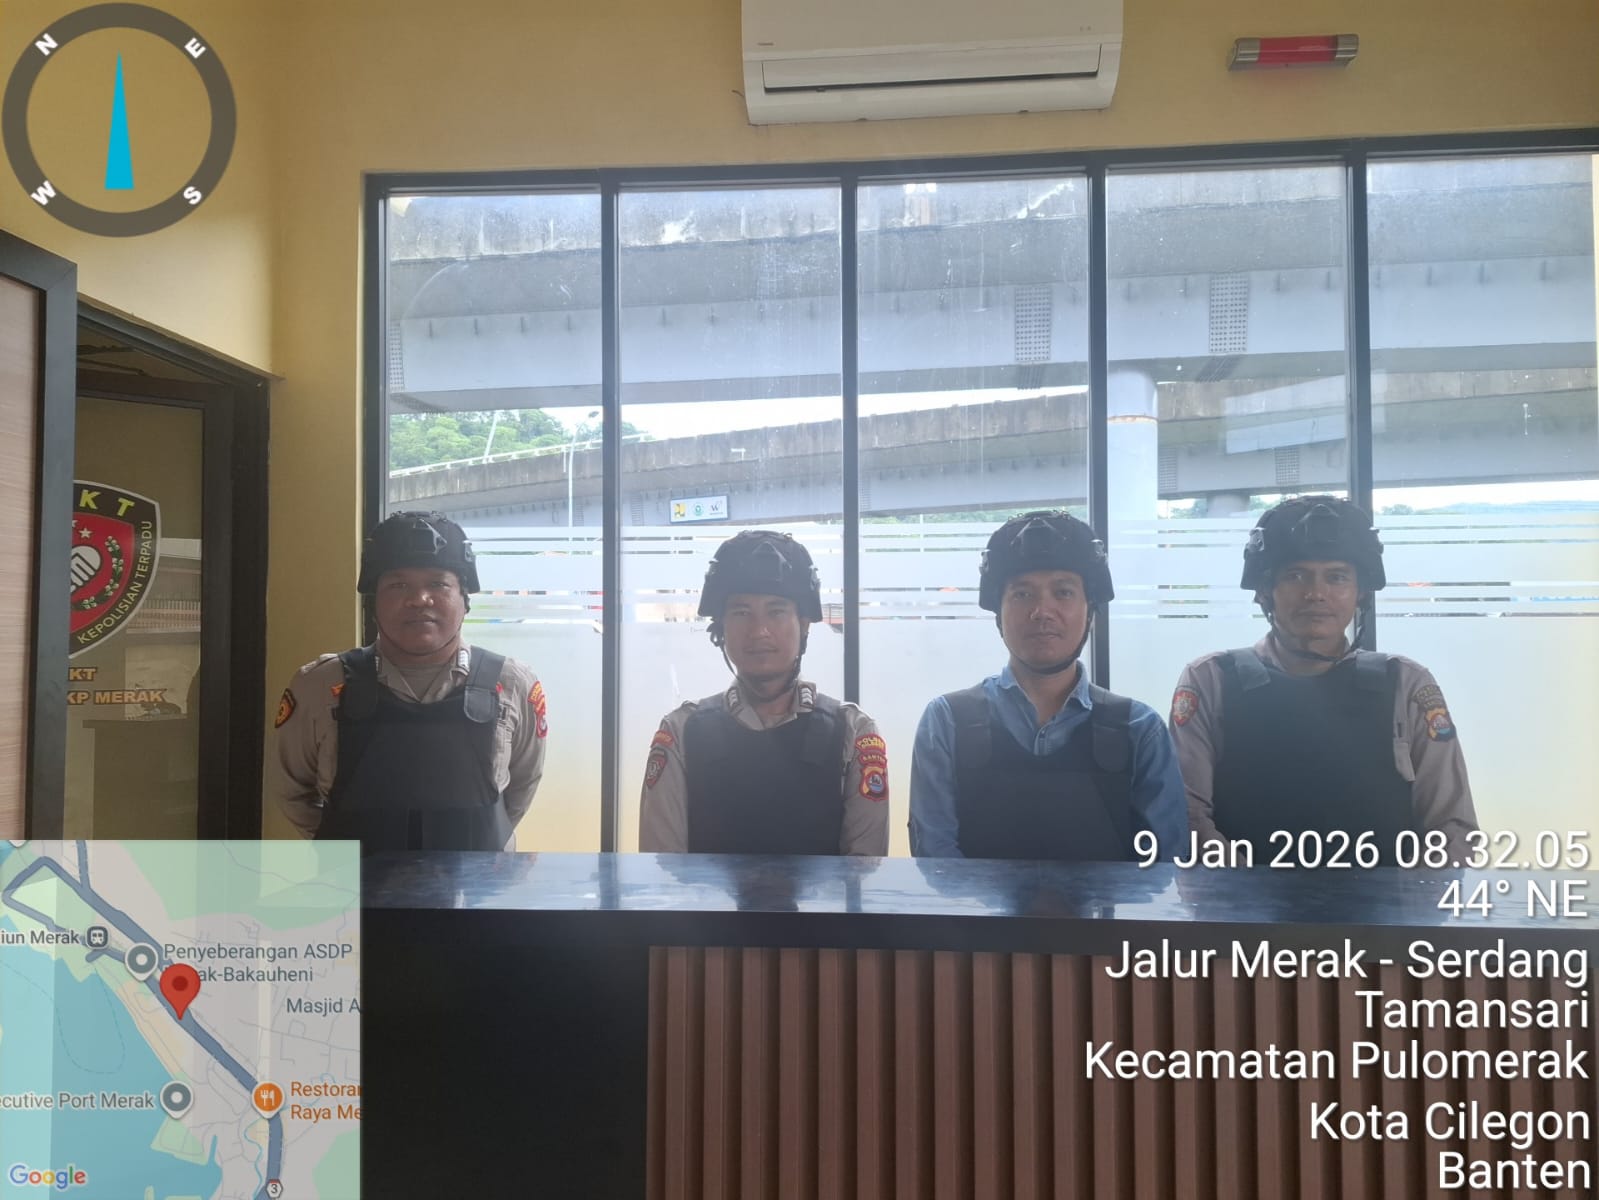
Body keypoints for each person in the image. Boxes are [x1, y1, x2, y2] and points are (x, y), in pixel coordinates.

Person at [1169, 495, 1477, 863]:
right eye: (1296, 576)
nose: (1316, 593)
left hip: (1388, 898)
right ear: (1265, 591)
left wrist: (1406, 895)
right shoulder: (1211, 681)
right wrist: (1246, 890)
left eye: (1337, 577)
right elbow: (1187, 819)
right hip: (1242, 898)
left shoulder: (1406, 684)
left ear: (1361, 593)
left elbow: (1452, 831)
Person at [909, 511, 1187, 861]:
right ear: (998, 613)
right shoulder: (947, 722)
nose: (1042, 611)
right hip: (971, 903)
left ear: (1090, 611)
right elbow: (936, 862)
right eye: (1022, 594)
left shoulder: (1139, 729)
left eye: (1063, 592)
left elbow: (1164, 867)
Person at [270, 511, 546, 851]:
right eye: (398, 585)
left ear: (465, 598)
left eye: (438, 584)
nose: (419, 599)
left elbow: (521, 787)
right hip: (354, 882)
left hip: (479, 883)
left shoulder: (512, 684)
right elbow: (291, 791)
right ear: (373, 601)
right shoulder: (320, 684)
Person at [638, 530, 888, 856]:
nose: (759, 631)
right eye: (741, 613)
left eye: (776, 611)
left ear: (804, 625)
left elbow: (863, 875)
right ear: (720, 628)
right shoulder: (681, 732)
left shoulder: (853, 733)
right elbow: (662, 871)